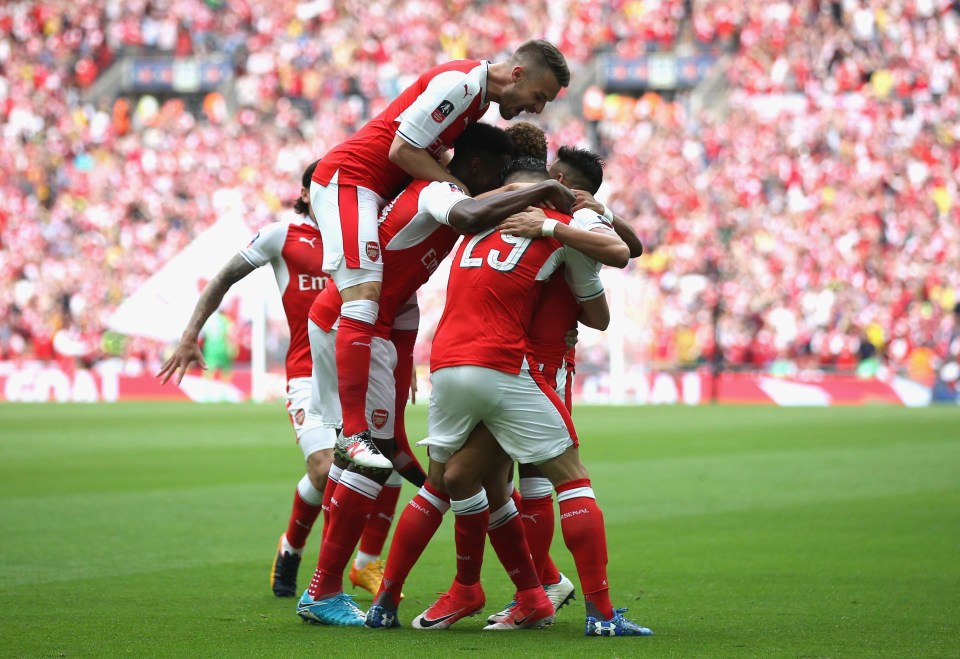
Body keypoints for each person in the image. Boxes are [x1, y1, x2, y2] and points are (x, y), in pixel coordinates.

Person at [296, 123, 576, 627]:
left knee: (379, 454)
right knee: (368, 459)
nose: (497, 187)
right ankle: (323, 591)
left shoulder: (438, 195)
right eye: (495, 176)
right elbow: (469, 215)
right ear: (476, 168)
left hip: (364, 323)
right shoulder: (442, 191)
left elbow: (405, 292)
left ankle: (528, 587)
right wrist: (544, 189)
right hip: (355, 322)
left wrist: (403, 368)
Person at [366, 158, 650, 637]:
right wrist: (555, 232)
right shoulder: (557, 224)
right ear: (552, 185)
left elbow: (625, 245)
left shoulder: (479, 222)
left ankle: (401, 599)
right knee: (562, 480)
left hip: (447, 364)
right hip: (516, 366)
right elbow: (613, 274)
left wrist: (591, 214)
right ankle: (590, 612)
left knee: (451, 478)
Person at [309, 40, 571, 474]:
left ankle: (389, 439)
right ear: (519, 74)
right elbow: (401, 151)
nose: (537, 109)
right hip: (350, 180)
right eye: (539, 97)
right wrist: (458, 191)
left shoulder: (476, 102)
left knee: (399, 304)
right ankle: (351, 433)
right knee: (364, 292)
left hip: (373, 191)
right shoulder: (463, 85)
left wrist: (485, 192)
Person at [487, 144, 645, 626]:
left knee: (528, 483)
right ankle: (543, 585)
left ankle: (537, 593)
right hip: (507, 359)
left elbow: (625, 257)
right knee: (484, 482)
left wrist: (588, 217)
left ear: (558, 178)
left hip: (542, 363)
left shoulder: (571, 222)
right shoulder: (536, 213)